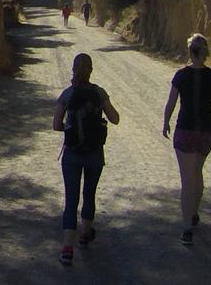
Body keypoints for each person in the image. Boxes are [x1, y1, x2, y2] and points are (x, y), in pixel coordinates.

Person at [162, 33, 211, 246]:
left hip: (185, 130)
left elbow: (171, 102)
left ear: (190, 52)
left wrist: (165, 122)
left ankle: (187, 228)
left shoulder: (181, 76)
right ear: (205, 52)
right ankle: (194, 213)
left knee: (187, 180)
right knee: (197, 173)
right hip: (206, 132)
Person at [53, 52, 120, 266]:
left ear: (74, 69)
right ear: (91, 70)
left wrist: (70, 129)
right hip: (94, 154)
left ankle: (66, 249)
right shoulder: (99, 93)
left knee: (71, 200)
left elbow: (55, 124)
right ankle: (85, 234)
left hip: (72, 154)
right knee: (89, 194)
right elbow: (115, 119)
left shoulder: (67, 94)